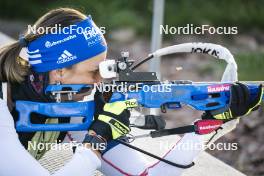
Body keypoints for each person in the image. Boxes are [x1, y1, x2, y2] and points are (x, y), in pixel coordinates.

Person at [0, 7, 262, 176]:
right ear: (59, 71)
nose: (100, 82)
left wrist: (211, 125)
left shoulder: (71, 106)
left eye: (104, 70)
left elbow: (147, 175)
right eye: (93, 72)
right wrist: (96, 141)